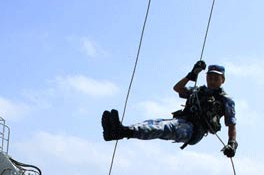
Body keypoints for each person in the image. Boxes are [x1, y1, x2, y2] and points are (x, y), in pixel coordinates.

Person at [101, 61, 238, 157]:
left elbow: (231, 124)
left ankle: (123, 132)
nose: (212, 81)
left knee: (165, 128)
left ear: (222, 80)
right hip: (182, 121)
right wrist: (191, 75)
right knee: (155, 123)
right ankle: (119, 131)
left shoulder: (225, 99)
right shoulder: (198, 91)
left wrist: (232, 143)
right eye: (210, 77)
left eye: (216, 78)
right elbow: (178, 89)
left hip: (195, 130)